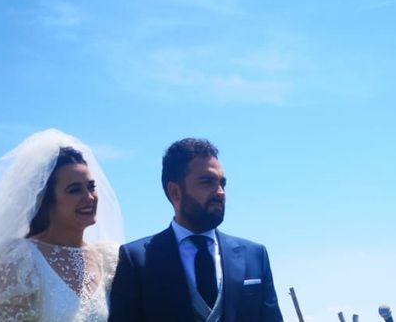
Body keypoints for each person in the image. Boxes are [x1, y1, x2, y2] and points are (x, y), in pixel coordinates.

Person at [0, 129, 125, 321]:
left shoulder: (108, 260)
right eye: (74, 190)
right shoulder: (21, 261)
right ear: (46, 200)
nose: (89, 197)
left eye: (91, 187)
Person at [109, 138, 284, 322]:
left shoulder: (255, 255)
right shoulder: (136, 260)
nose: (220, 192)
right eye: (207, 182)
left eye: (222, 183)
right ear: (175, 192)